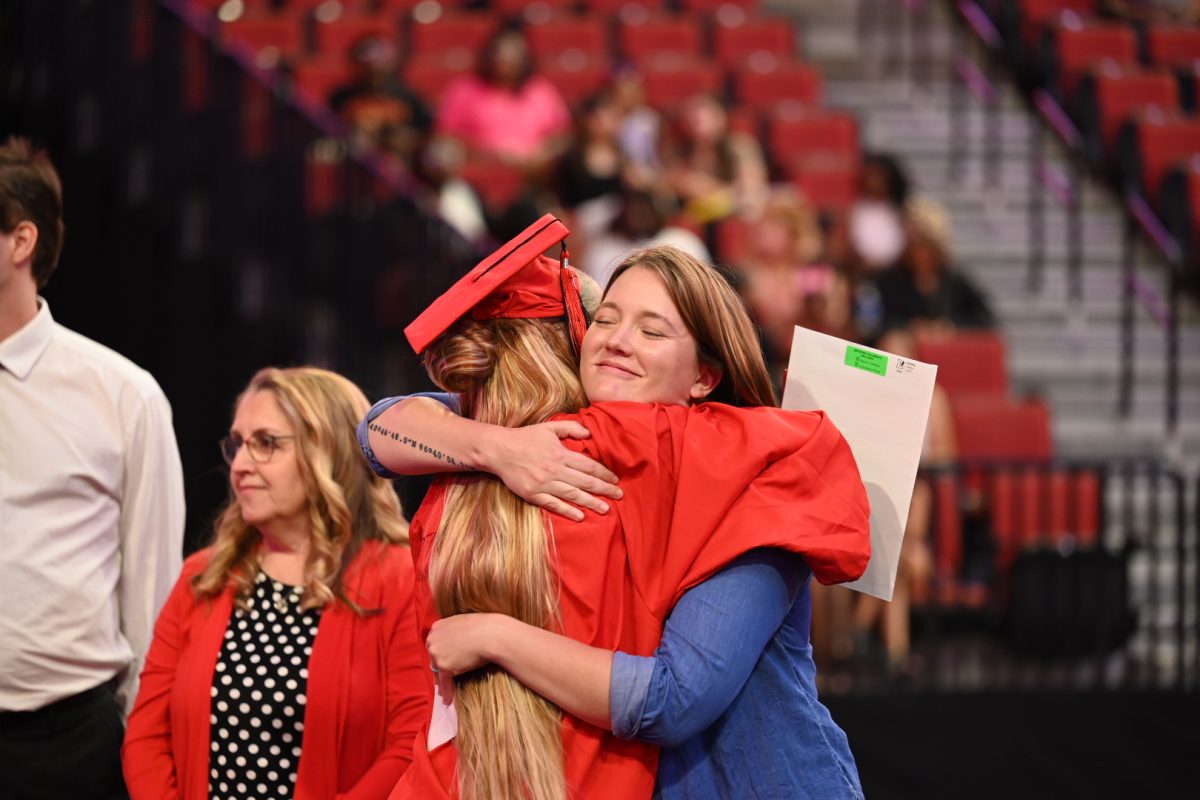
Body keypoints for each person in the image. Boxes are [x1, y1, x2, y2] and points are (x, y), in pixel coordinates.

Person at [362, 217, 870, 800]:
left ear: (705, 377)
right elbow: (376, 428)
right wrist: (498, 448)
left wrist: (493, 635)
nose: (617, 340)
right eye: (605, 319)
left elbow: (673, 700)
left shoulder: (757, 469)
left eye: (652, 331)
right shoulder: (563, 441)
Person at [122, 367, 429, 800]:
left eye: (266, 444)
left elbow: (410, 743)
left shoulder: (398, 577)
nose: (241, 466)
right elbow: (147, 736)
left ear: (328, 452)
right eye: (238, 445)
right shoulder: (203, 576)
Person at [0, 136, 185, 799]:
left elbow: (154, 583)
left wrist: (145, 741)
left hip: (70, 744)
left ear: (19, 243)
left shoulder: (121, 393)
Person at [436, 24, 571, 178]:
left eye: (513, 55)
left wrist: (541, 156)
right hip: (476, 175)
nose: (506, 61)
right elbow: (444, 137)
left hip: (533, 177)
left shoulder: (542, 90)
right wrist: (486, 155)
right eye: (501, 54)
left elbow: (562, 136)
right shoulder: (464, 89)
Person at [872, 196, 996, 338]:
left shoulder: (955, 281)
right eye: (912, 242)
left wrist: (950, 328)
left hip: (945, 355)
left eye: (923, 243)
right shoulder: (888, 280)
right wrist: (909, 328)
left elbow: (986, 322)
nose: (917, 251)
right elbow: (873, 324)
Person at [660, 92, 768, 224]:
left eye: (701, 120)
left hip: (734, 213)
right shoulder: (682, 150)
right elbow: (675, 181)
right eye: (692, 120)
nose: (696, 125)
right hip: (695, 215)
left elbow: (750, 185)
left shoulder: (738, 145)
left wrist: (709, 189)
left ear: (720, 119)